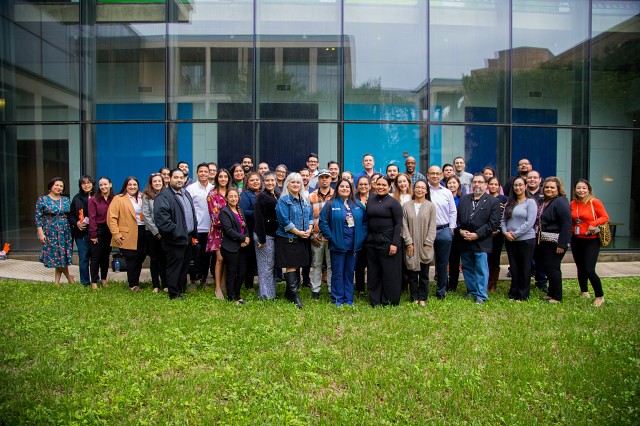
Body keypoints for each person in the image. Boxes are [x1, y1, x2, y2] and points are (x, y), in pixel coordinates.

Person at [319, 179, 368, 306]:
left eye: (347, 186)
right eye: (342, 186)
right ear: (337, 189)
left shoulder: (358, 205)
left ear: (351, 189)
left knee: (349, 272)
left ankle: (349, 299)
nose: (345, 188)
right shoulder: (331, 204)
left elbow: (365, 222)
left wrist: (361, 237)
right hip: (337, 245)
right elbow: (323, 222)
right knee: (338, 273)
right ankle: (337, 298)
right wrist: (331, 237)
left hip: (354, 245)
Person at [456, 174, 501, 304]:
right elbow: (458, 218)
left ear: (486, 185)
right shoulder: (464, 199)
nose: (477, 184)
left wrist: (477, 234)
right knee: (467, 268)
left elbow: (493, 223)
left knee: (481, 269)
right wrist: (460, 230)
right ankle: (472, 291)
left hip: (481, 241)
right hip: (465, 240)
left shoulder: (493, 201)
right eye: (475, 182)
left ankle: (481, 295)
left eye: (480, 182)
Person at [154, 168, 198, 300]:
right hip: (175, 239)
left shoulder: (186, 193)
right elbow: (162, 220)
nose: (179, 180)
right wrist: (178, 233)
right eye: (176, 177)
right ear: (169, 179)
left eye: (182, 177)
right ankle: (173, 293)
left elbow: (191, 214)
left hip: (187, 238)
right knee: (174, 267)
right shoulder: (164, 196)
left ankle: (180, 289)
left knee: (184, 266)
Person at [275, 173, 314, 309]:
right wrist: (298, 232)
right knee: (291, 265)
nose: (296, 185)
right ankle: (294, 295)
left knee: (297, 264)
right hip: (289, 238)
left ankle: (288, 293)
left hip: (303, 237)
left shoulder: (305, 199)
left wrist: (309, 229)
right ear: (288, 184)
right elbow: (284, 221)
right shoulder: (283, 201)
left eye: (298, 183)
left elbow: (310, 216)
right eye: (293, 182)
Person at [365, 176, 403, 306]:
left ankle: (389, 299)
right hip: (371, 241)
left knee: (389, 272)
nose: (381, 187)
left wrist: (394, 243)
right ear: (374, 185)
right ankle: (375, 299)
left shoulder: (394, 203)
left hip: (387, 242)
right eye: (378, 184)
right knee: (374, 272)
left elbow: (398, 224)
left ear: (389, 187)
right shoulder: (370, 200)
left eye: (384, 185)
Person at [570, 179, 609, 307]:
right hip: (577, 239)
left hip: (591, 240)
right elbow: (572, 220)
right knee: (580, 268)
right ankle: (584, 292)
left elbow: (605, 217)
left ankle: (599, 296)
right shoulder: (573, 203)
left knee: (589, 269)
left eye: (584, 188)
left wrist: (593, 223)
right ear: (575, 190)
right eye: (578, 188)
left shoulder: (594, 202)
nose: (581, 190)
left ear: (588, 189)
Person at [107, 176, 146, 292]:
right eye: (130, 185)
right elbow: (111, 218)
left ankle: (136, 281)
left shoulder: (143, 197)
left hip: (143, 230)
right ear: (125, 186)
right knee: (132, 258)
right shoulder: (119, 199)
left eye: (135, 184)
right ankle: (133, 284)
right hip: (127, 233)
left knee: (140, 257)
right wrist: (116, 234)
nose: (133, 187)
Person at [501, 177, 537, 301]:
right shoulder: (509, 203)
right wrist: (505, 232)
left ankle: (523, 294)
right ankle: (513, 292)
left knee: (525, 268)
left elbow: (530, 222)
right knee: (514, 267)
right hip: (510, 240)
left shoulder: (530, 202)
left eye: (520, 185)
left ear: (525, 186)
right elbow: (503, 220)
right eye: (515, 185)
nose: (518, 187)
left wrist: (515, 234)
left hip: (525, 240)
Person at [402, 180, 436, 306]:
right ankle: (414, 297)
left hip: (424, 245)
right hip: (411, 245)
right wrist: (408, 243)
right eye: (417, 187)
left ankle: (423, 297)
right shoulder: (406, 206)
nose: (420, 190)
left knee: (424, 274)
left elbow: (432, 226)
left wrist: (428, 242)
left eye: (423, 188)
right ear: (414, 189)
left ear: (426, 191)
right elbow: (403, 225)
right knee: (412, 273)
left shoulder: (430, 206)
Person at [538, 176, 572, 303]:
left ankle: (557, 296)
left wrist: (562, 244)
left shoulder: (561, 202)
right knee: (548, 267)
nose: (549, 189)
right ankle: (551, 292)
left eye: (552, 187)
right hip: (546, 240)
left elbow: (566, 224)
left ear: (558, 189)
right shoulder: (544, 202)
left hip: (557, 241)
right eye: (546, 187)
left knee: (553, 268)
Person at [35, 177, 74, 285]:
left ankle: (56, 283)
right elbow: (38, 218)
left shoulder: (65, 200)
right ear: (51, 186)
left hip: (65, 231)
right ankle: (70, 278)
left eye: (61, 186)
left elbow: (70, 214)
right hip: (50, 231)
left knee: (61, 256)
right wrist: (41, 234)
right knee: (56, 255)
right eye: (56, 185)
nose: (59, 188)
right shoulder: (42, 200)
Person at [427, 166, 457, 299]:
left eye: (437, 173)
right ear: (427, 175)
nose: (435, 176)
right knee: (424, 262)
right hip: (426, 231)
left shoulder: (447, 192)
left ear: (441, 175)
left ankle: (441, 292)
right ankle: (424, 291)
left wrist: (451, 228)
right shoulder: (423, 190)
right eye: (432, 173)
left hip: (443, 230)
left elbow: (453, 211)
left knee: (443, 263)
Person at [186, 163, 215, 291]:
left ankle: (204, 280)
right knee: (194, 256)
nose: (203, 173)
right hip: (197, 229)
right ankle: (193, 280)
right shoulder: (190, 189)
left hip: (211, 229)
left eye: (205, 171)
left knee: (206, 256)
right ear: (197, 173)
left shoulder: (213, 188)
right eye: (201, 171)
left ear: (209, 173)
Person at [219, 187, 250, 304]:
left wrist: (246, 239)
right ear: (226, 198)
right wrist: (243, 238)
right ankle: (231, 297)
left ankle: (237, 294)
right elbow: (228, 230)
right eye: (231, 196)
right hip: (230, 247)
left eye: (235, 196)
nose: (233, 198)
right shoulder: (224, 212)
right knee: (232, 272)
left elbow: (245, 227)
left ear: (238, 198)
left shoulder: (240, 210)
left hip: (242, 246)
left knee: (242, 272)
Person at [308, 169, 334, 300]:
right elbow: (308, 217)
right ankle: (315, 290)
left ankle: (331, 289)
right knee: (316, 264)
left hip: (331, 237)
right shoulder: (311, 196)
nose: (324, 179)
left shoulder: (336, 195)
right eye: (322, 177)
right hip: (316, 237)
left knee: (331, 265)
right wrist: (312, 235)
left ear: (331, 179)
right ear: (318, 179)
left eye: (327, 177)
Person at [254, 171, 279, 300]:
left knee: (271, 266)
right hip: (264, 236)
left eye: (272, 180)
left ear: (276, 182)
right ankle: (265, 295)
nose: (270, 183)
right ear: (264, 182)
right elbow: (258, 218)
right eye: (267, 180)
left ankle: (271, 293)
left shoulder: (277, 194)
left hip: (273, 235)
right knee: (265, 267)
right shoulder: (261, 197)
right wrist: (262, 239)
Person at [206, 168, 230, 301]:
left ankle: (224, 285)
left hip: (231, 232)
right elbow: (214, 216)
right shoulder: (212, 194)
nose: (223, 179)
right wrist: (230, 224)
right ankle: (217, 288)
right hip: (218, 230)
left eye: (225, 177)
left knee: (227, 259)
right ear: (217, 178)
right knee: (219, 259)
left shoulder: (231, 192)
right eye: (220, 177)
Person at [141, 173, 167, 293]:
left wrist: (164, 231)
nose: (157, 183)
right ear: (151, 183)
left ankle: (165, 284)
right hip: (151, 233)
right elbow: (146, 215)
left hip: (165, 233)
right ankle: (155, 284)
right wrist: (157, 232)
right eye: (155, 181)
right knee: (154, 259)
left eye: (159, 181)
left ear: (163, 182)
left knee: (164, 259)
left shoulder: (167, 194)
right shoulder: (146, 196)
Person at [88, 177, 114, 289]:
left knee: (105, 256)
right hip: (97, 229)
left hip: (109, 230)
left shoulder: (114, 198)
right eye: (101, 185)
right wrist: (93, 235)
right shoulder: (93, 200)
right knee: (95, 257)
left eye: (105, 184)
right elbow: (92, 218)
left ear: (110, 185)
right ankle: (94, 281)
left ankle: (104, 279)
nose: (103, 187)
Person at [69, 175, 94, 287]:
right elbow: (71, 216)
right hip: (81, 234)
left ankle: (95, 279)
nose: (86, 185)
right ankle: (85, 282)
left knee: (94, 258)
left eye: (89, 182)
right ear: (80, 185)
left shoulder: (97, 197)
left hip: (95, 233)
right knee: (83, 258)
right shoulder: (77, 198)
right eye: (84, 183)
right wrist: (77, 223)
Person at [239, 171, 262, 291]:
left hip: (260, 231)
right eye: (252, 180)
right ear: (247, 182)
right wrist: (258, 213)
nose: (255, 182)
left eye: (257, 180)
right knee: (249, 259)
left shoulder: (261, 194)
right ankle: (248, 285)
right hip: (249, 230)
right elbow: (243, 211)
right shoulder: (245, 195)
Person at [526, 169, 547, 292]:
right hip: (526, 232)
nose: (532, 180)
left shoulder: (545, 194)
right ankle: (526, 280)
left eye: (535, 178)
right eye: (530, 178)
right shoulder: (522, 192)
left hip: (540, 232)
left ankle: (541, 281)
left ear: (539, 180)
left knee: (540, 258)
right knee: (527, 259)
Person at [487, 176, 508, 292]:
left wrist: (499, 230)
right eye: (491, 184)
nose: (493, 186)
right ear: (487, 185)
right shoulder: (485, 198)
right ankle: (486, 281)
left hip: (498, 234)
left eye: (496, 184)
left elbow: (505, 216)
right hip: (486, 233)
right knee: (486, 258)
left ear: (499, 186)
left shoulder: (504, 199)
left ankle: (493, 283)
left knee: (495, 258)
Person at [354, 175, 371, 297]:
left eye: (365, 184)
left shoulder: (375, 198)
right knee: (359, 264)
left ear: (370, 186)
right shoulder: (352, 199)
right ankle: (359, 288)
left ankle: (371, 287)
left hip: (373, 235)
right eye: (360, 184)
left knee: (372, 264)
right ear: (357, 186)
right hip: (358, 235)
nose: (363, 186)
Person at [446, 175, 462, 292]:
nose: (452, 185)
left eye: (454, 183)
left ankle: (453, 284)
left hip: (458, 232)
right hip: (445, 230)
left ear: (458, 185)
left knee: (455, 259)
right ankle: (443, 282)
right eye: (449, 183)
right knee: (444, 258)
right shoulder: (444, 197)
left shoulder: (463, 199)